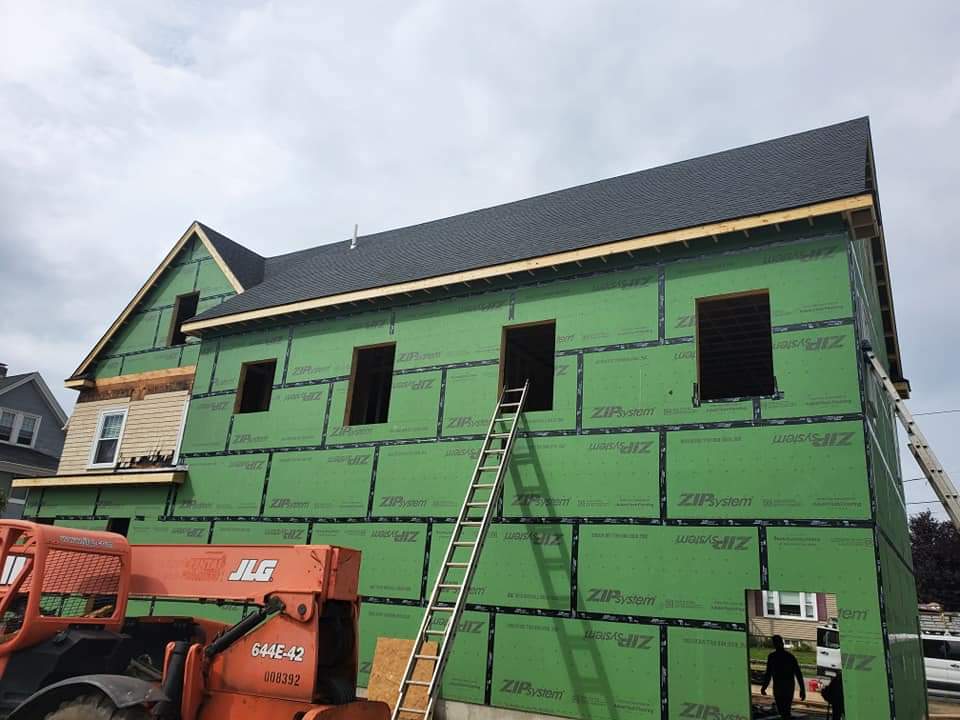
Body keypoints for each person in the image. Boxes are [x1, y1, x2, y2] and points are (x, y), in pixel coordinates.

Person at [760, 635, 806, 719]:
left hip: (778, 687)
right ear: (783, 643)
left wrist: (764, 687)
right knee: (786, 710)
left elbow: (768, 674)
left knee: (782, 710)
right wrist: (802, 689)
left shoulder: (772, 657)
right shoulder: (790, 657)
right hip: (788, 687)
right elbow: (798, 674)